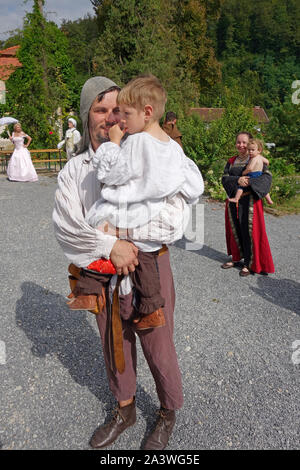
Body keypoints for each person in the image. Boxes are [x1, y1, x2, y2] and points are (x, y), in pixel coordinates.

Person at [53, 76, 202, 450]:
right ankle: (125, 409)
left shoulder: (151, 150)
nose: (111, 117)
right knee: (113, 342)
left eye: (118, 109)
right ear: (87, 115)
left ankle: (167, 412)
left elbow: (177, 212)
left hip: (150, 263)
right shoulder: (74, 171)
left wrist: (132, 237)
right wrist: (111, 244)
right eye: (101, 110)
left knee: (158, 342)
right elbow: (67, 229)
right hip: (102, 269)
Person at [67, 75, 203, 332]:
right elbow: (193, 185)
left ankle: (89, 289)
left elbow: (109, 173)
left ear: (147, 112)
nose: (121, 120)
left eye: (126, 114)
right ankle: (151, 309)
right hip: (158, 218)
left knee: (100, 235)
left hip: (131, 212)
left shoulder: (137, 142)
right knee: (147, 259)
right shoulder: (173, 148)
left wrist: (115, 142)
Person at [221, 131, 275, 277]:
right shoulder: (231, 161)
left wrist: (250, 181)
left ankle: (250, 263)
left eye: (244, 142)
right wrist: (237, 180)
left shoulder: (257, 159)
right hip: (234, 199)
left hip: (251, 201)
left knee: (250, 232)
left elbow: (267, 178)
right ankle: (237, 258)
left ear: (250, 143)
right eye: (238, 142)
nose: (241, 145)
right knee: (235, 230)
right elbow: (225, 178)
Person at [228, 138, 273, 206]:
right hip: (259, 175)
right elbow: (267, 162)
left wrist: (243, 173)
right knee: (263, 187)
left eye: (252, 150)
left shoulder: (253, 159)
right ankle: (269, 200)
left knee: (241, 186)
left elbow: (250, 169)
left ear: (259, 150)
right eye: (249, 150)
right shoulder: (260, 157)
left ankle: (236, 198)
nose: (250, 152)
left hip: (253, 175)